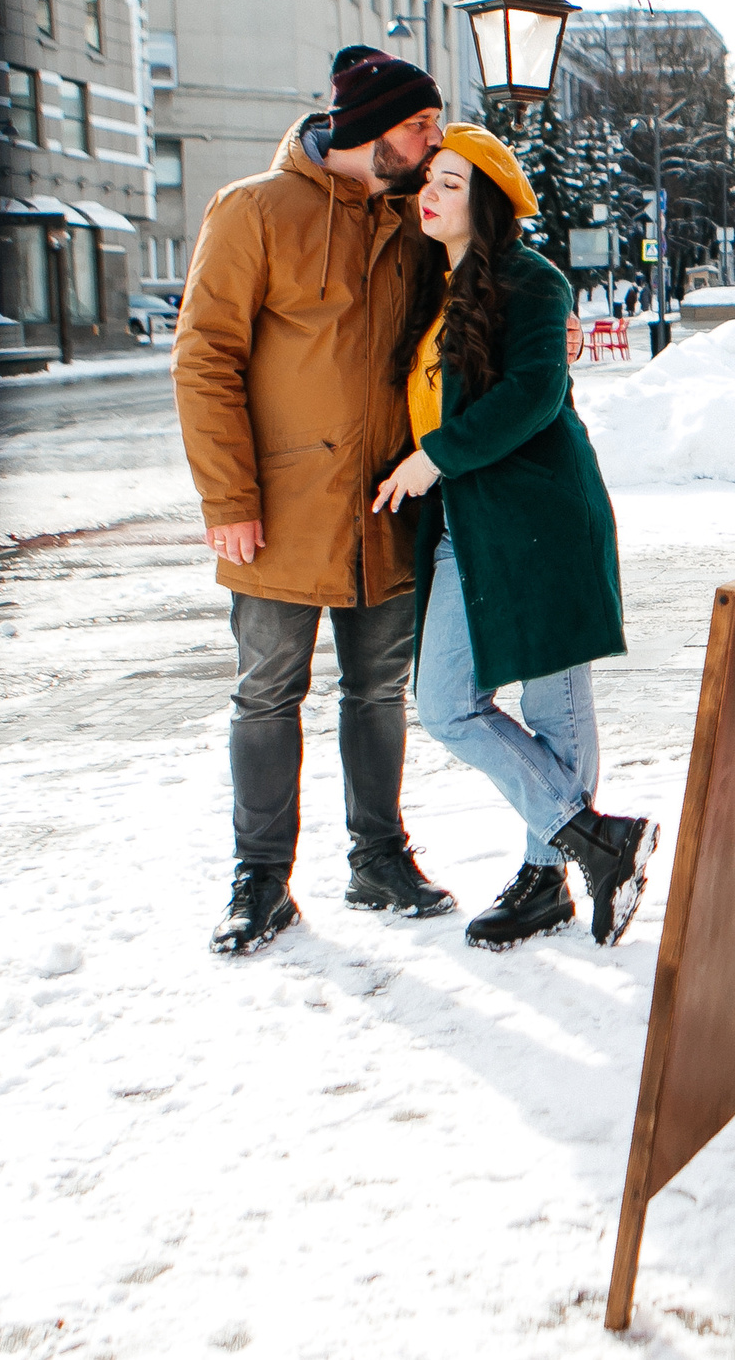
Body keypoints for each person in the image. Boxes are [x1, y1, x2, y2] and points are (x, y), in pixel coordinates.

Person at [176, 51, 452, 956]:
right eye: (420, 127)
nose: (433, 142)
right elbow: (204, 359)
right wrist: (228, 496)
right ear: (372, 130)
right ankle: (260, 881)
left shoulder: (409, 222)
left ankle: (379, 858)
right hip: (278, 510)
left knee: (377, 688)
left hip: (383, 504)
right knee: (267, 693)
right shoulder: (253, 210)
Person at [371, 126, 656, 950]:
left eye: (452, 184)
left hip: (539, 519)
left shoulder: (534, 282)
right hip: (468, 525)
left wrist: (434, 459)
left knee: (552, 703)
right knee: (447, 704)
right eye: (430, 178)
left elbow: (535, 393)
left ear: (487, 202)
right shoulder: (435, 285)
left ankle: (546, 879)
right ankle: (596, 842)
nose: (431, 193)